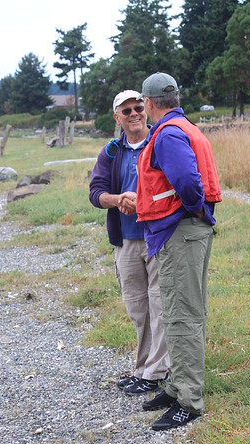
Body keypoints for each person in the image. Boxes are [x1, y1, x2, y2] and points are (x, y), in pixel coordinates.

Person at [120, 73, 221, 429]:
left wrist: (193, 209)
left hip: (180, 232)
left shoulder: (168, 134)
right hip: (182, 232)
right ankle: (177, 386)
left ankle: (189, 401)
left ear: (148, 104)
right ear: (175, 98)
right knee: (181, 311)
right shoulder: (184, 126)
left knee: (182, 317)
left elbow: (189, 183)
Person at [89, 90, 170, 396]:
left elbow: (177, 186)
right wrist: (117, 199)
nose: (134, 113)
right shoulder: (111, 151)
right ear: (117, 117)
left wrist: (144, 202)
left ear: (147, 110)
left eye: (139, 107)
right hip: (125, 239)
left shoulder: (161, 141)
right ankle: (144, 368)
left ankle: (155, 373)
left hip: (158, 236)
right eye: (127, 110)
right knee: (138, 308)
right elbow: (95, 191)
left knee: (160, 305)